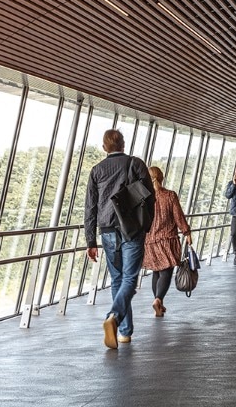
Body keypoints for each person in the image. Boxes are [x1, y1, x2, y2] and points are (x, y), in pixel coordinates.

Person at [84, 129, 154, 349]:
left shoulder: (96, 171)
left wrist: (90, 241)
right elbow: (150, 198)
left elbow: (90, 208)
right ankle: (115, 318)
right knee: (129, 278)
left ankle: (124, 331)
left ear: (104, 147)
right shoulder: (136, 164)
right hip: (132, 228)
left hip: (107, 230)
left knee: (117, 279)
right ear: (123, 144)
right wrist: (147, 225)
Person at [143, 166, 191, 317]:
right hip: (167, 239)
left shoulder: (144, 197)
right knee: (166, 271)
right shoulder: (169, 195)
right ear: (162, 177)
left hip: (150, 240)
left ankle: (158, 302)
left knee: (156, 271)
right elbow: (178, 216)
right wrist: (186, 232)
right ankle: (158, 299)